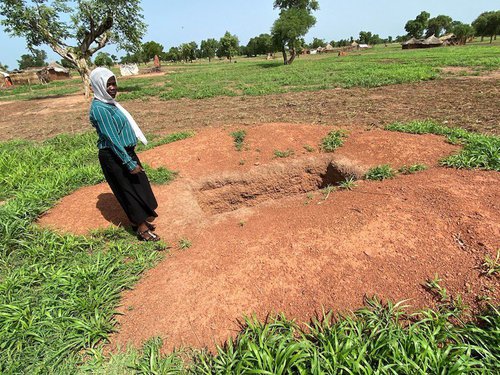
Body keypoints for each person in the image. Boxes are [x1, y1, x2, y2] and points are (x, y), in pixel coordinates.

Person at [89, 67, 160, 241]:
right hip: (115, 156)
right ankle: (142, 230)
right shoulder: (100, 109)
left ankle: (140, 221)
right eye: (108, 85)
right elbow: (112, 140)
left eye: (114, 83)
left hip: (124, 152)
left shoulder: (109, 104)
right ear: (98, 86)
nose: (113, 87)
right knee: (129, 191)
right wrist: (128, 163)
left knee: (139, 186)